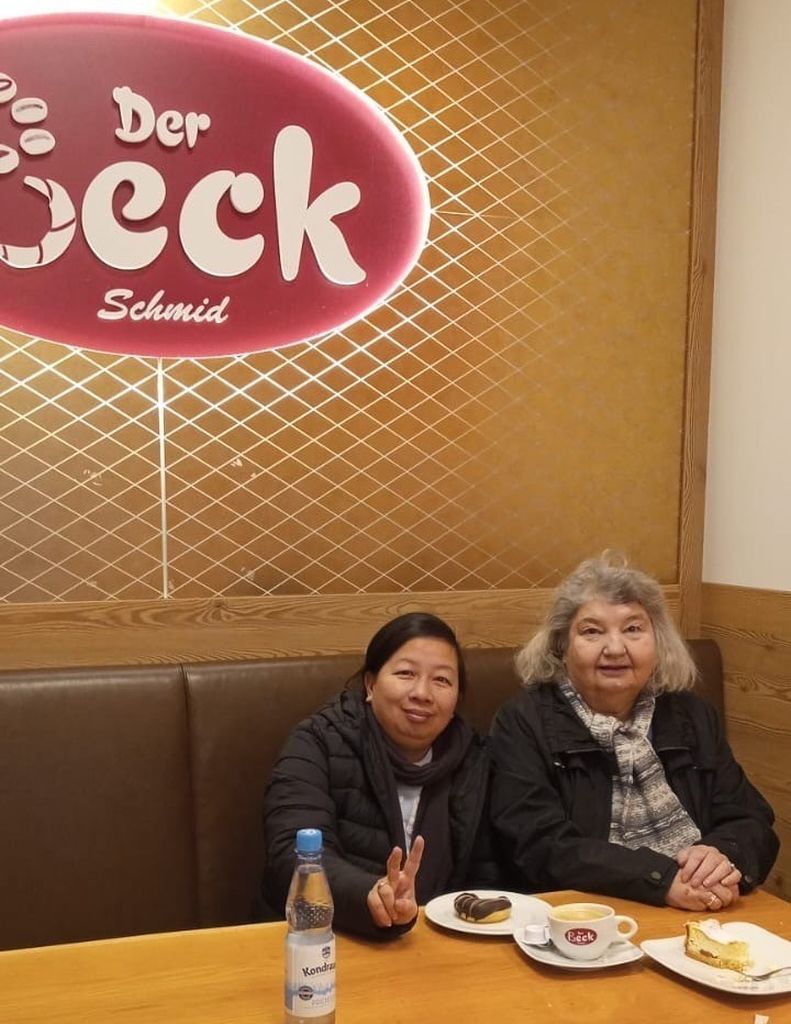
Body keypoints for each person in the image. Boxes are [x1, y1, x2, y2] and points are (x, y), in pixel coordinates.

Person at [489, 554, 779, 911]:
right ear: (561, 646)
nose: (615, 648)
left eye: (633, 629)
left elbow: (750, 819)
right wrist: (660, 879)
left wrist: (720, 856)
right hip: (582, 914)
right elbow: (539, 845)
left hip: (702, 903)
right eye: (592, 631)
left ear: (657, 642)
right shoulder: (524, 720)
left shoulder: (690, 715)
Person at [261, 612, 499, 939]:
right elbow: (293, 854)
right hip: (320, 938)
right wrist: (371, 894)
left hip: (436, 941)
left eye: (442, 680)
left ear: (457, 697)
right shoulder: (317, 742)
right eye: (405, 673)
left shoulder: (474, 758)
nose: (422, 693)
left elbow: (488, 871)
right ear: (370, 684)